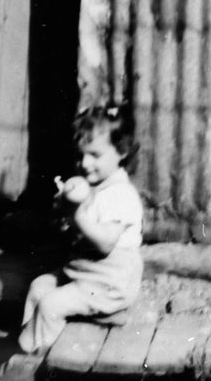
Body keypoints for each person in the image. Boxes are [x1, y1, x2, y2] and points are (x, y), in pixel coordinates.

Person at [18, 105, 144, 354]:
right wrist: (63, 213)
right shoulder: (92, 188)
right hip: (84, 274)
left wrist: (76, 215)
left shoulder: (122, 194)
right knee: (39, 287)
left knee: (51, 304)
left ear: (122, 151)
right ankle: (27, 345)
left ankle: (38, 362)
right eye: (80, 155)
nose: (85, 163)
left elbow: (106, 242)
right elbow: (75, 229)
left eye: (95, 155)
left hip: (110, 282)